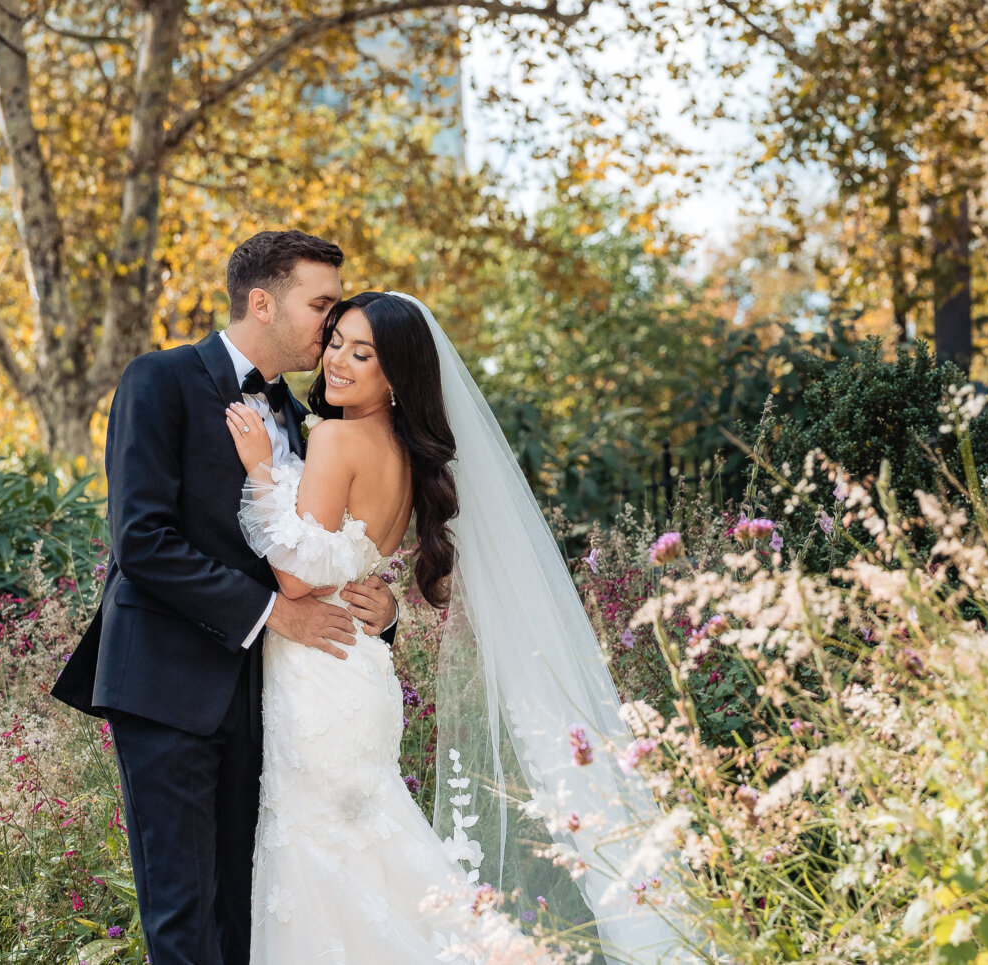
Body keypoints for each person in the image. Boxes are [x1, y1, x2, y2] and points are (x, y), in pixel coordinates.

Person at [226, 290, 683, 964]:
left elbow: (296, 579)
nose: (338, 361)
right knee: (365, 855)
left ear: (396, 375)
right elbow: (353, 556)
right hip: (356, 671)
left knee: (323, 857)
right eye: (336, 342)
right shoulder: (402, 453)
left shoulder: (338, 438)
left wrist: (262, 470)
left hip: (319, 678)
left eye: (364, 352)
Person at [52, 230, 400, 965]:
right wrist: (277, 612)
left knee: (251, 915)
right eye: (322, 305)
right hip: (168, 684)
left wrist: (381, 607)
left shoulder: (311, 418)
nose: (332, 327)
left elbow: (320, 545)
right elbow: (141, 540)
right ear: (262, 301)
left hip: (273, 697)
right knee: (184, 918)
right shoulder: (160, 379)